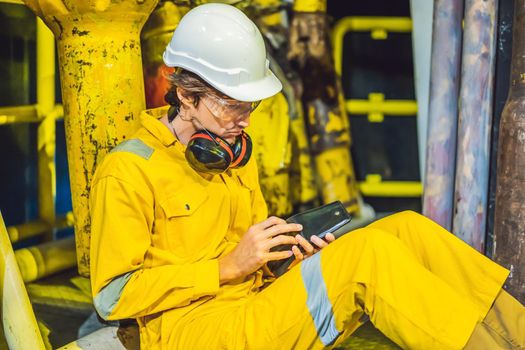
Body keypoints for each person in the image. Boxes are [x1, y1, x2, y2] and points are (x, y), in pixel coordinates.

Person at [89, 3, 525, 349]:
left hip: (256, 308)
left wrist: (287, 262)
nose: (245, 120)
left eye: (250, 107)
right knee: (369, 257)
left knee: (407, 230)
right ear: (186, 95)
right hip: (200, 332)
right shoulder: (130, 169)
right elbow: (113, 297)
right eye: (233, 106)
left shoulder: (230, 156)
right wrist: (225, 267)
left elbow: (252, 263)